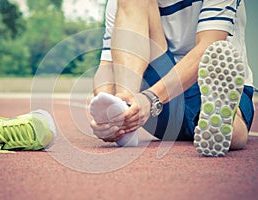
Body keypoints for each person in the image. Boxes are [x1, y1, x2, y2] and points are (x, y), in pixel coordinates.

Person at [89, 0, 255, 156]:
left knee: (227, 120)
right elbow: (107, 65)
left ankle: (224, 124)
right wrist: (107, 116)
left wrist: (151, 98)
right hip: (154, 100)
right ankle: (127, 110)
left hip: (210, 79)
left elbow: (209, 46)